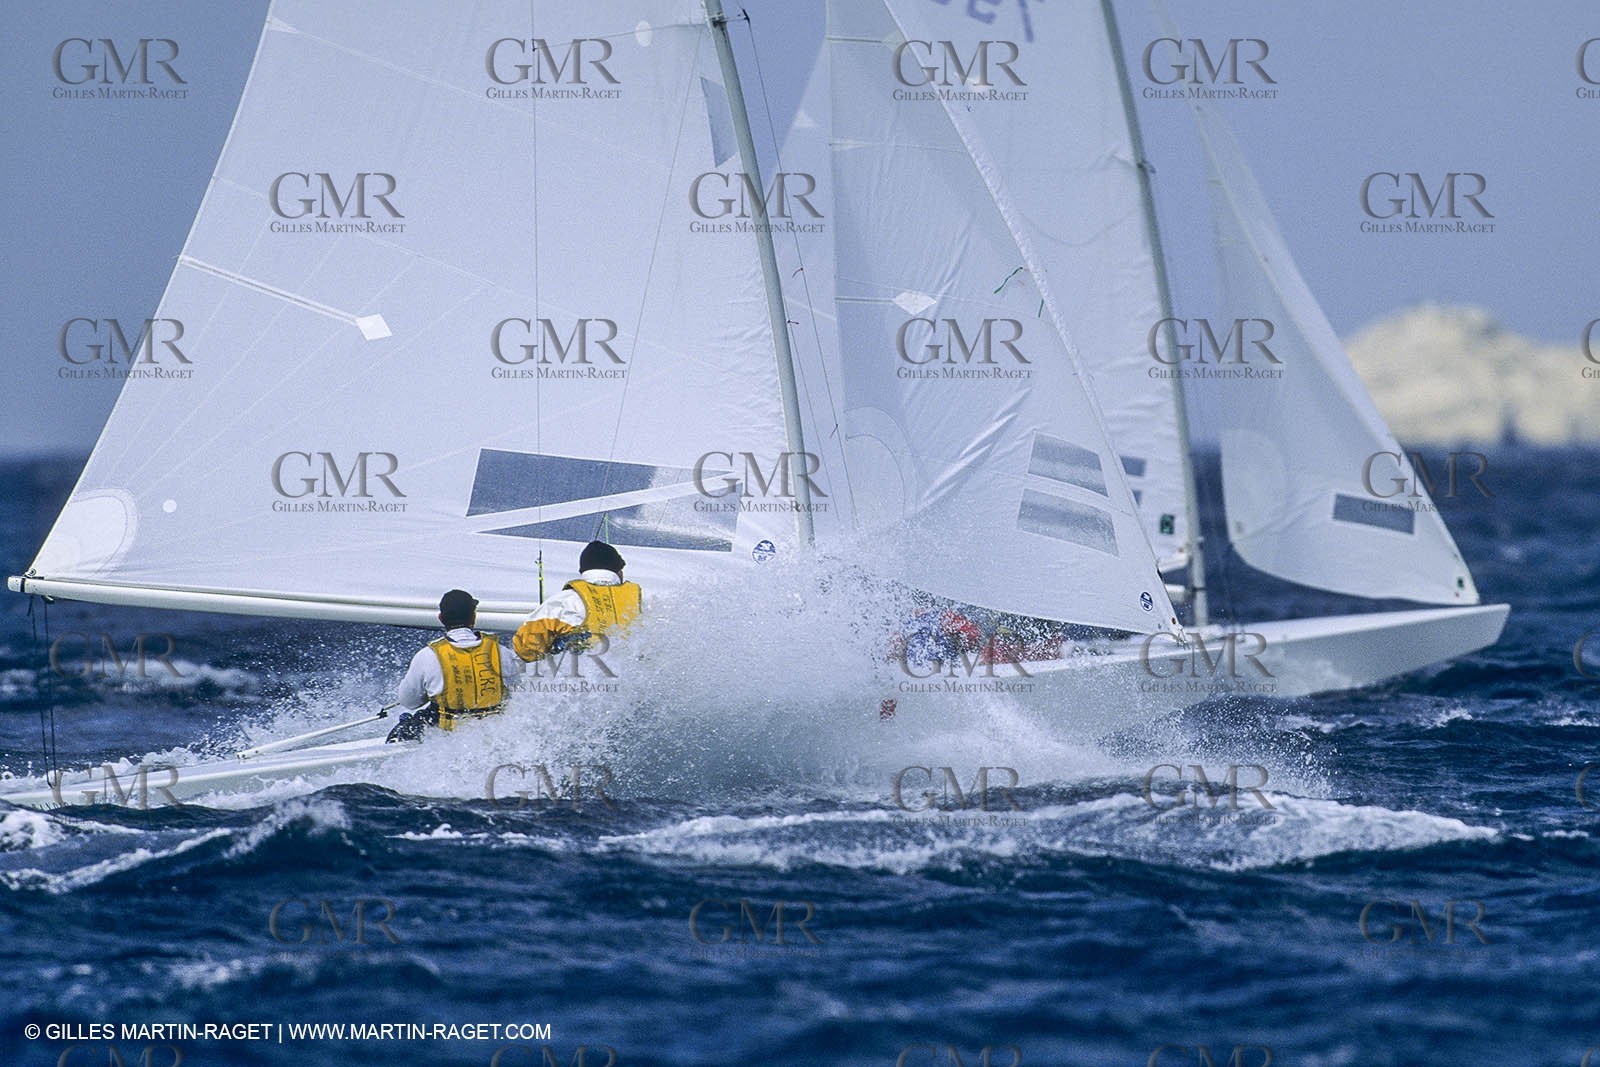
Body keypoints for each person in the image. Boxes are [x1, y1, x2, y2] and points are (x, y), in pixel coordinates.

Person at [387, 589, 523, 742]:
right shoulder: (501, 652)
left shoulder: (427, 656)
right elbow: (517, 693)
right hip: (494, 736)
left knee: (407, 725)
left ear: (441, 618)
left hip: (449, 739)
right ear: (473, 616)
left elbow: (409, 702)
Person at [513, 540, 641, 662]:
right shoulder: (639, 601)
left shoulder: (565, 601)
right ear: (618, 571)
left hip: (583, 676)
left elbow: (526, 648)